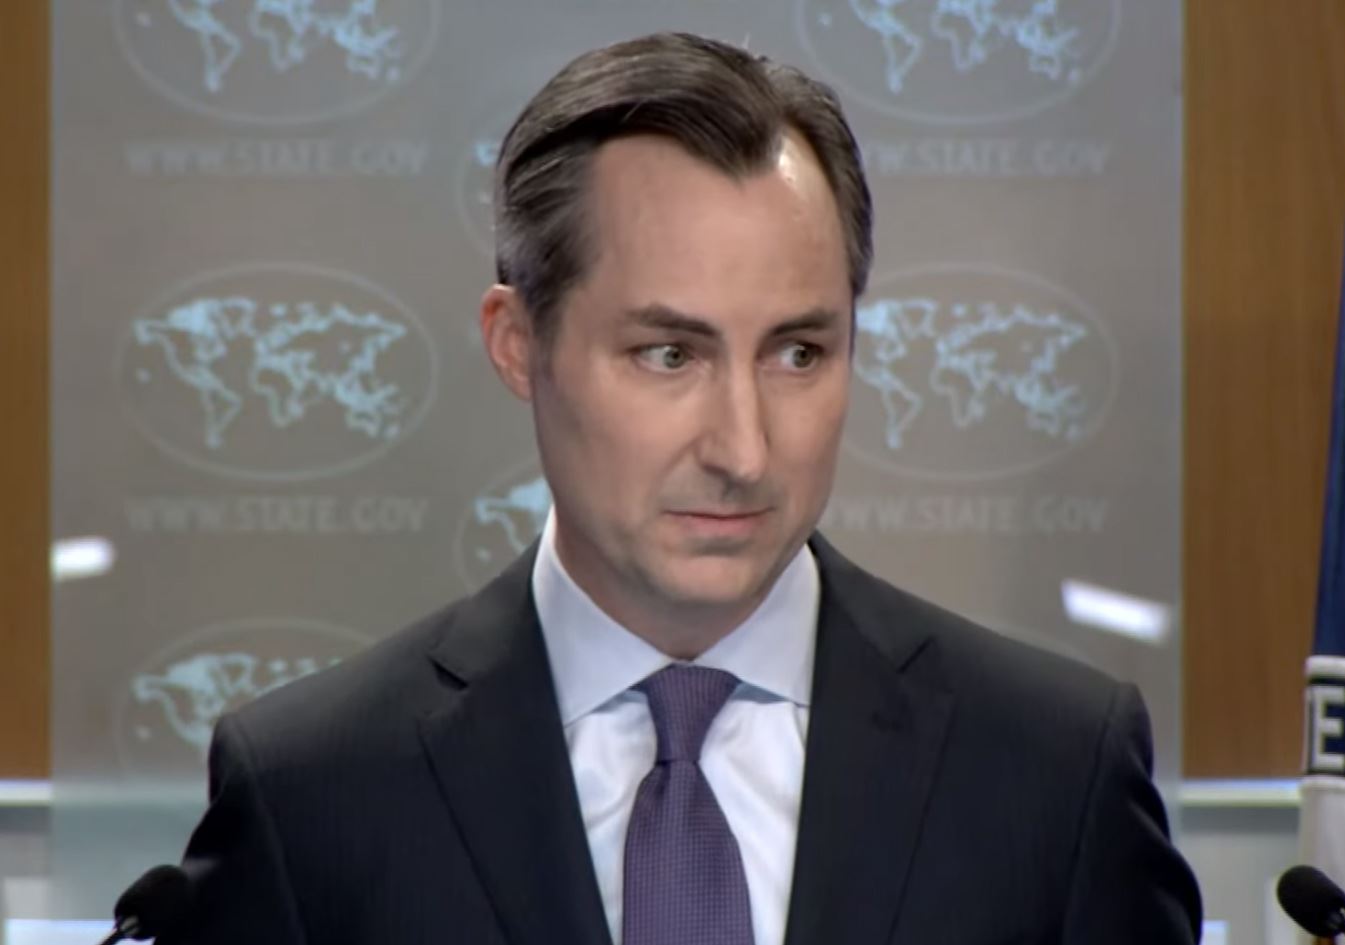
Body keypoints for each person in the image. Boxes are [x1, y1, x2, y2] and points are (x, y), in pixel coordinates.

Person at [161, 31, 1202, 945]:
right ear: (518, 343)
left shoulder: (1055, 774)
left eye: (798, 353)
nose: (743, 449)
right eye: (669, 355)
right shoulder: (313, 794)